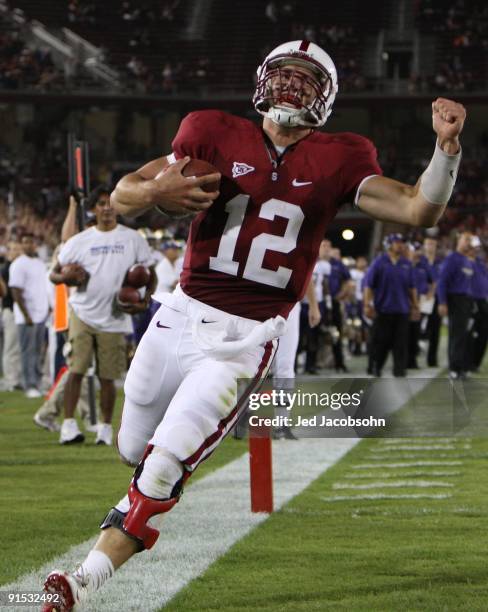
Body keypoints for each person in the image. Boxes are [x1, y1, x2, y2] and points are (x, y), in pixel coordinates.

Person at [42, 40, 466, 610]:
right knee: (134, 448)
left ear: (327, 97)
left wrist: (445, 149)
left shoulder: (342, 155)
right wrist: (153, 190)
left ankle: (82, 581)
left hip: (246, 336)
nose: (292, 88)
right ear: (263, 80)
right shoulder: (211, 130)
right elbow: (125, 193)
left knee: (164, 464)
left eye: (305, 80)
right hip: (180, 314)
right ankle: (144, 502)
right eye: (285, 76)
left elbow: (420, 209)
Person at [49, 186, 156, 446]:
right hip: (83, 312)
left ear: (118, 207)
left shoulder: (133, 239)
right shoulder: (80, 240)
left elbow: (150, 273)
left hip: (115, 315)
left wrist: (144, 300)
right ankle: (69, 424)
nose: (107, 207)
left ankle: (106, 428)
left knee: (108, 377)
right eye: (101, 203)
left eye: (110, 203)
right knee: (76, 369)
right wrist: (66, 277)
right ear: (94, 209)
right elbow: (54, 273)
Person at [364, 234, 419, 377]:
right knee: (380, 341)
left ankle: (399, 369)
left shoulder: (407, 264)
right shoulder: (379, 262)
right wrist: (367, 304)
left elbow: (412, 287)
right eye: (397, 243)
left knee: (401, 342)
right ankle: (376, 367)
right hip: (383, 309)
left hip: (402, 309)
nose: (400, 245)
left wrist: (415, 306)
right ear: (388, 244)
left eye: (402, 243)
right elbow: (369, 286)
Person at [8, 233, 49, 398]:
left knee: (38, 351)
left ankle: (37, 383)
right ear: (21, 245)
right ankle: (29, 385)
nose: (28, 245)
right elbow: (16, 291)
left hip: (40, 315)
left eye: (31, 242)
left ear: (35, 245)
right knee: (27, 351)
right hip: (27, 317)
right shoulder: (18, 264)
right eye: (25, 242)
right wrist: (26, 315)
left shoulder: (39, 263)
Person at [436, 232, 474, 379]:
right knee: (456, 335)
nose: (468, 243)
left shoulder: (467, 260)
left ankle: (459, 367)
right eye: (466, 240)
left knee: (462, 335)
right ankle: (454, 368)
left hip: (466, 300)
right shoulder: (452, 258)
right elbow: (442, 281)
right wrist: (442, 302)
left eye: (470, 240)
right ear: (459, 241)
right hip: (456, 299)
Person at [1, 240, 23, 391]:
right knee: (11, 347)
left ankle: (18, 378)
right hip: (11, 311)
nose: (15, 252)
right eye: (12, 249)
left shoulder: (21, 267)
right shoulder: (5, 270)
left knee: (19, 347)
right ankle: (11, 379)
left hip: (21, 312)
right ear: (8, 252)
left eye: (17, 249)